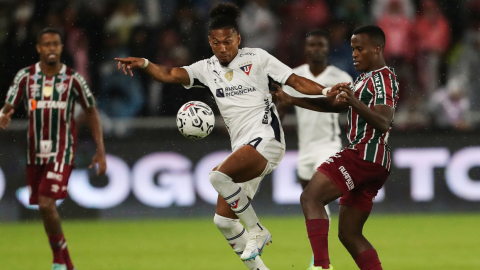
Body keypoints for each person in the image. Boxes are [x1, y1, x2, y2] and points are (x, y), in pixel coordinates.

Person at [115, 3, 347, 270]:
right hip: (243, 148)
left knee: (217, 175)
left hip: (267, 140)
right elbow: (168, 74)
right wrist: (144, 63)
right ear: (210, 43)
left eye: (227, 41)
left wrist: (326, 90)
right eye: (216, 43)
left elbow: (295, 81)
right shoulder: (206, 68)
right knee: (223, 221)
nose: (223, 48)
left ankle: (257, 230)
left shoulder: (258, 58)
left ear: (238, 38)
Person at [272, 25, 398, 270]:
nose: (354, 54)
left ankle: (321, 266)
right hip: (373, 162)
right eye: (352, 49)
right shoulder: (364, 80)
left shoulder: (382, 78)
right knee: (349, 234)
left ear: (377, 49)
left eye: (360, 49)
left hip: (364, 153)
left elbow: (384, 122)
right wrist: (293, 100)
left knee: (311, 197)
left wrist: (353, 101)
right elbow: (333, 105)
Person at [0, 28, 107, 270]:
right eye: (46, 44)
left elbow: (91, 111)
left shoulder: (73, 79)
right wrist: (3, 116)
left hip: (62, 149)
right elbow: (9, 105)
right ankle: (65, 259)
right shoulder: (25, 77)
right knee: (44, 207)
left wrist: (100, 149)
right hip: (35, 150)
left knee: (48, 203)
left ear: (61, 48)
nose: (51, 48)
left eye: (55, 44)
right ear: (39, 48)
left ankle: (59, 259)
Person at [277, 29, 353, 268]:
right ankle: (318, 255)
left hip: (329, 146)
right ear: (305, 49)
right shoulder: (295, 77)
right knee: (309, 203)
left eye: (321, 45)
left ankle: (320, 261)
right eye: (312, 45)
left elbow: (342, 107)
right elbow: (281, 110)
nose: (317, 49)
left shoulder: (340, 76)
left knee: (315, 200)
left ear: (327, 49)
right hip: (305, 149)